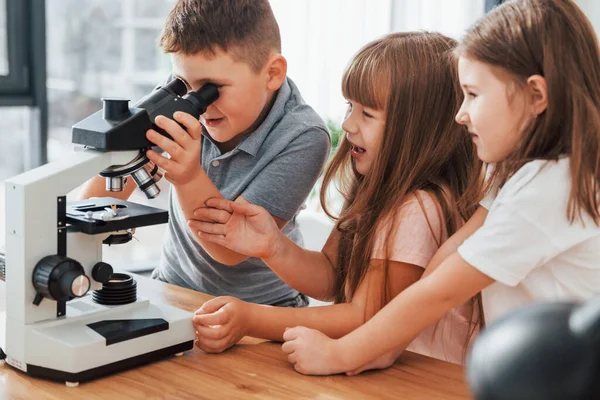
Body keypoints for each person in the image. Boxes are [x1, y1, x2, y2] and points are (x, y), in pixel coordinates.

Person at [277, 0, 600, 376]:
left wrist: (343, 354)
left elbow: (443, 291)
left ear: (536, 96)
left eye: (474, 95)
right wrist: (384, 346)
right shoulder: (529, 175)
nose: (461, 115)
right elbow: (446, 261)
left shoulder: (548, 190)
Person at [189, 31, 483, 361]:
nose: (347, 124)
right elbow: (332, 276)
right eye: (349, 106)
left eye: (367, 114)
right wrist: (273, 246)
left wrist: (252, 319)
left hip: (426, 381)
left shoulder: (417, 209)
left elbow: (363, 318)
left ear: (419, 130)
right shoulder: (377, 190)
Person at [78, 0, 330, 307]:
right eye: (185, 85)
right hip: (172, 290)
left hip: (261, 312)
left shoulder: (303, 136)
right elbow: (95, 199)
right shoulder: (181, 97)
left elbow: (231, 250)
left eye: (212, 88)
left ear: (272, 73)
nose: (199, 103)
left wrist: (188, 178)